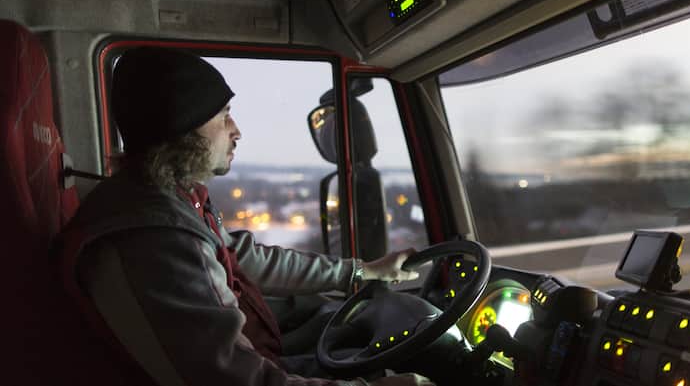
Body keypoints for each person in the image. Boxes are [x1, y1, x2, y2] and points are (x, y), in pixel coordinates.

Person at [59, 47, 434, 386]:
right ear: (183, 127)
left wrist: (361, 270)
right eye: (223, 116)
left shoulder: (171, 198)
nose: (237, 131)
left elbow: (248, 260)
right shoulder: (158, 237)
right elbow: (238, 381)